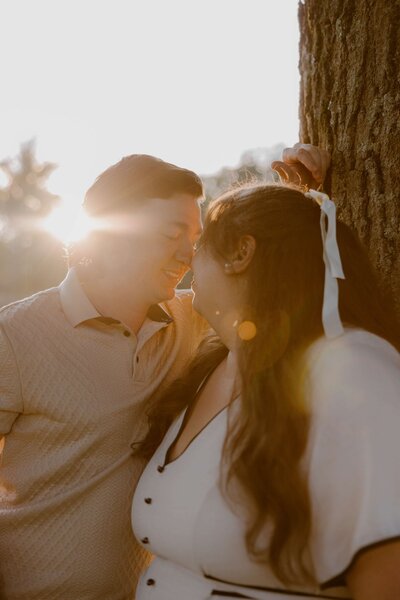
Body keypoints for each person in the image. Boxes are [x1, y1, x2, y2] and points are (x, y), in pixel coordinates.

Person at [0, 145, 327, 599]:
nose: (188, 254)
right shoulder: (13, 337)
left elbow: (268, 278)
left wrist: (301, 192)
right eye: (172, 233)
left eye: (194, 238)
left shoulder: (196, 320)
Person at [132, 179, 400, 599]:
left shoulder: (352, 367)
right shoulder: (210, 363)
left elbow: (388, 571)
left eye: (201, 243)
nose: (188, 259)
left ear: (241, 253)